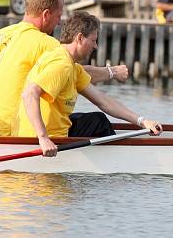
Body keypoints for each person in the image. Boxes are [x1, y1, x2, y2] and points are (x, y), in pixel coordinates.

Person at [0, 0, 129, 137]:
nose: (59, 22)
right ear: (46, 14)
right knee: (98, 121)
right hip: (15, 131)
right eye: (58, 16)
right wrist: (112, 72)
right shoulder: (47, 43)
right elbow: (73, 73)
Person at [16, 12, 162, 156]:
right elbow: (29, 94)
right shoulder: (62, 65)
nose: (96, 46)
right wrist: (43, 138)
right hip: (47, 141)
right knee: (99, 122)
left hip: (51, 133)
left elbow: (104, 101)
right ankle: (116, 165)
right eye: (93, 40)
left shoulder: (72, 66)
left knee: (94, 119)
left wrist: (143, 122)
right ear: (79, 38)